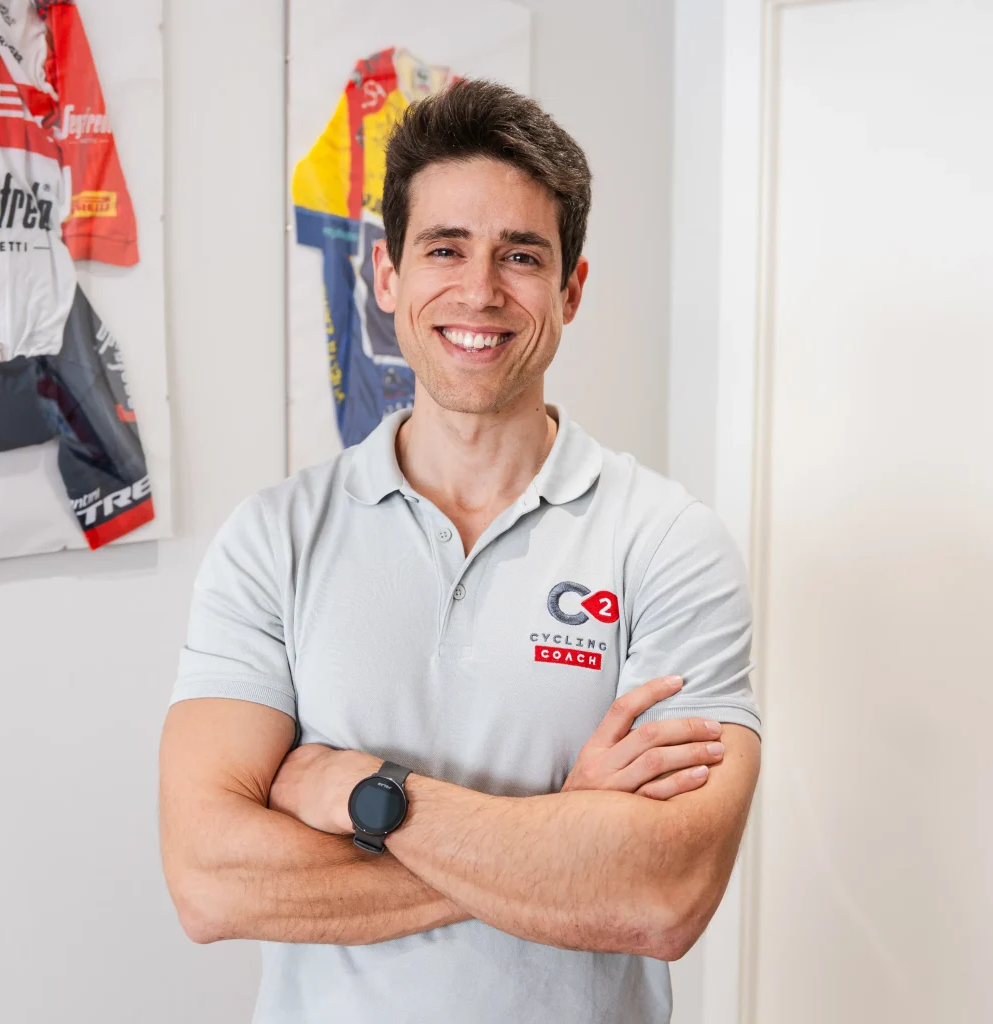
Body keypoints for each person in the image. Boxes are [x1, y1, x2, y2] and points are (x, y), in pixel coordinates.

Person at [158, 79, 762, 1024]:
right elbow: (210, 881)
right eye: (445, 248)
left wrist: (365, 794)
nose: (480, 291)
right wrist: (562, 839)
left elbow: (662, 895)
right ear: (387, 275)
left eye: (521, 255)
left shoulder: (668, 543)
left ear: (571, 289)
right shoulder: (274, 538)